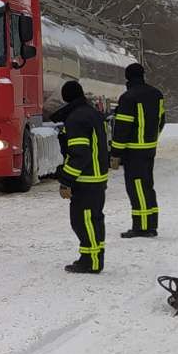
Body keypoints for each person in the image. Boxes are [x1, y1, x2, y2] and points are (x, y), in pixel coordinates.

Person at [52, 80, 110, 273]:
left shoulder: (76, 119)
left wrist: (66, 180)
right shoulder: (93, 114)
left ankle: (92, 261)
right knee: (93, 219)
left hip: (86, 179)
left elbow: (80, 153)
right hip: (98, 177)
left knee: (82, 220)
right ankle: (90, 256)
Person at [111, 62, 166, 237]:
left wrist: (115, 152)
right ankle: (151, 224)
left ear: (127, 77)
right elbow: (161, 120)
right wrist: (152, 138)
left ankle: (142, 227)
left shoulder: (128, 98)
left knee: (136, 187)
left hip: (134, 151)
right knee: (147, 186)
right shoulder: (157, 94)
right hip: (149, 148)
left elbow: (122, 128)